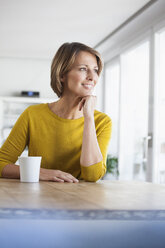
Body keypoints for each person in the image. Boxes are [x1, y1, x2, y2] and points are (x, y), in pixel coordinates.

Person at [0, 42, 112, 183]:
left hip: (81, 201)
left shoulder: (102, 121)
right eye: (83, 69)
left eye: (95, 70)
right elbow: (1, 163)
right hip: (37, 199)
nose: (92, 77)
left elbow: (92, 175)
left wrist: (88, 117)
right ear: (61, 75)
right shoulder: (33, 115)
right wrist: (40, 173)